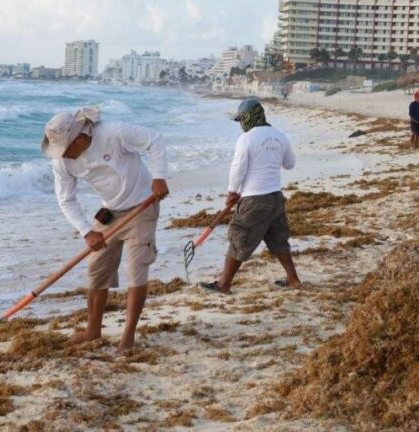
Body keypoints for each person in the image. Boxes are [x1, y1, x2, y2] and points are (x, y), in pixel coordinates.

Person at [41, 107, 169, 354]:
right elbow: (66, 199)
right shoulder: (62, 163)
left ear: (79, 138)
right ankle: (93, 330)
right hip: (109, 213)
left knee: (136, 270)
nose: (64, 155)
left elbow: (154, 139)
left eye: (67, 149)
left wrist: (159, 177)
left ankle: (128, 335)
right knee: (96, 270)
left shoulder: (113, 132)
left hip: (142, 208)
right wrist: (87, 231)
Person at [200, 98, 301, 294]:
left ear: (248, 117)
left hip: (254, 200)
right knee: (278, 240)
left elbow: (238, 168)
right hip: (275, 198)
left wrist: (232, 191)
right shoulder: (279, 136)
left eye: (241, 120)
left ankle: (223, 285)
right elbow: (290, 164)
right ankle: (293, 280)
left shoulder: (247, 139)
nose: (240, 125)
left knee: (239, 238)